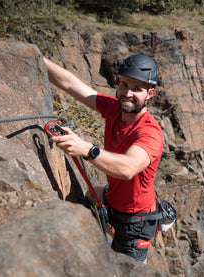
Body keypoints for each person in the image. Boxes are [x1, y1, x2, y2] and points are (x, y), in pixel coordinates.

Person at [43, 54, 163, 263]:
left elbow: (128, 168)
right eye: (124, 84)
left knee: (127, 269)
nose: (127, 93)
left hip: (134, 223)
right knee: (91, 194)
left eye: (136, 89)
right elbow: (70, 84)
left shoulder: (149, 133)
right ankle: (103, 240)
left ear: (149, 93)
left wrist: (86, 149)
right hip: (115, 198)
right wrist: (37, 57)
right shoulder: (114, 108)